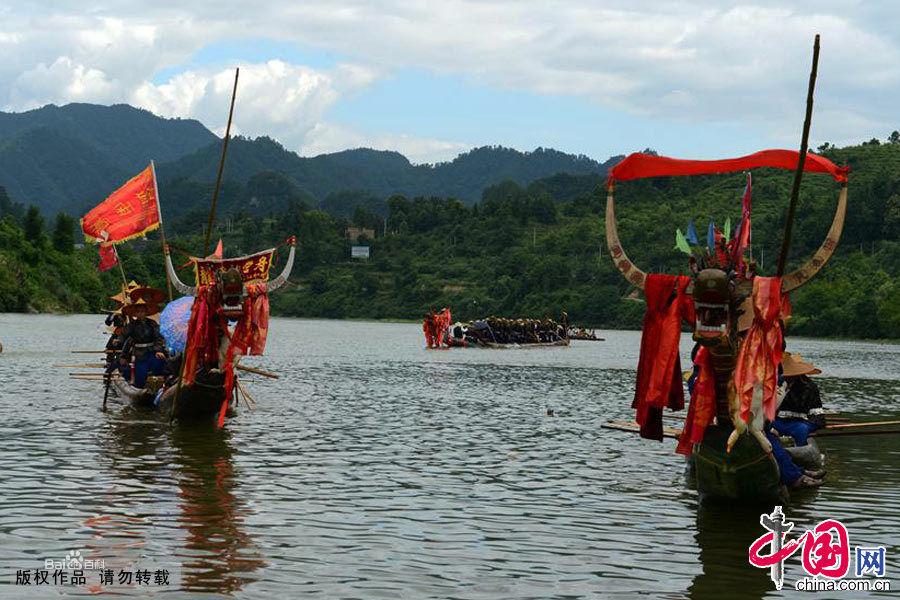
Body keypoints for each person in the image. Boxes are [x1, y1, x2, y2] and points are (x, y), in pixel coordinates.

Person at [773, 352, 825, 446]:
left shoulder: (809, 387)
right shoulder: (777, 384)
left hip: (800, 422)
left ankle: (800, 450)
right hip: (779, 421)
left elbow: (817, 417)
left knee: (801, 429)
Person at [121, 289, 167, 388]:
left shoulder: (152, 324)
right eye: (138, 311)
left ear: (146, 312)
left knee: (160, 364)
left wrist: (158, 350)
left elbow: (158, 338)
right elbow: (125, 338)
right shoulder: (131, 325)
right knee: (140, 377)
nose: (141, 313)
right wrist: (123, 356)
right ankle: (140, 387)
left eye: (142, 311)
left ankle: (158, 386)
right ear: (136, 313)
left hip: (152, 352)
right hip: (139, 354)